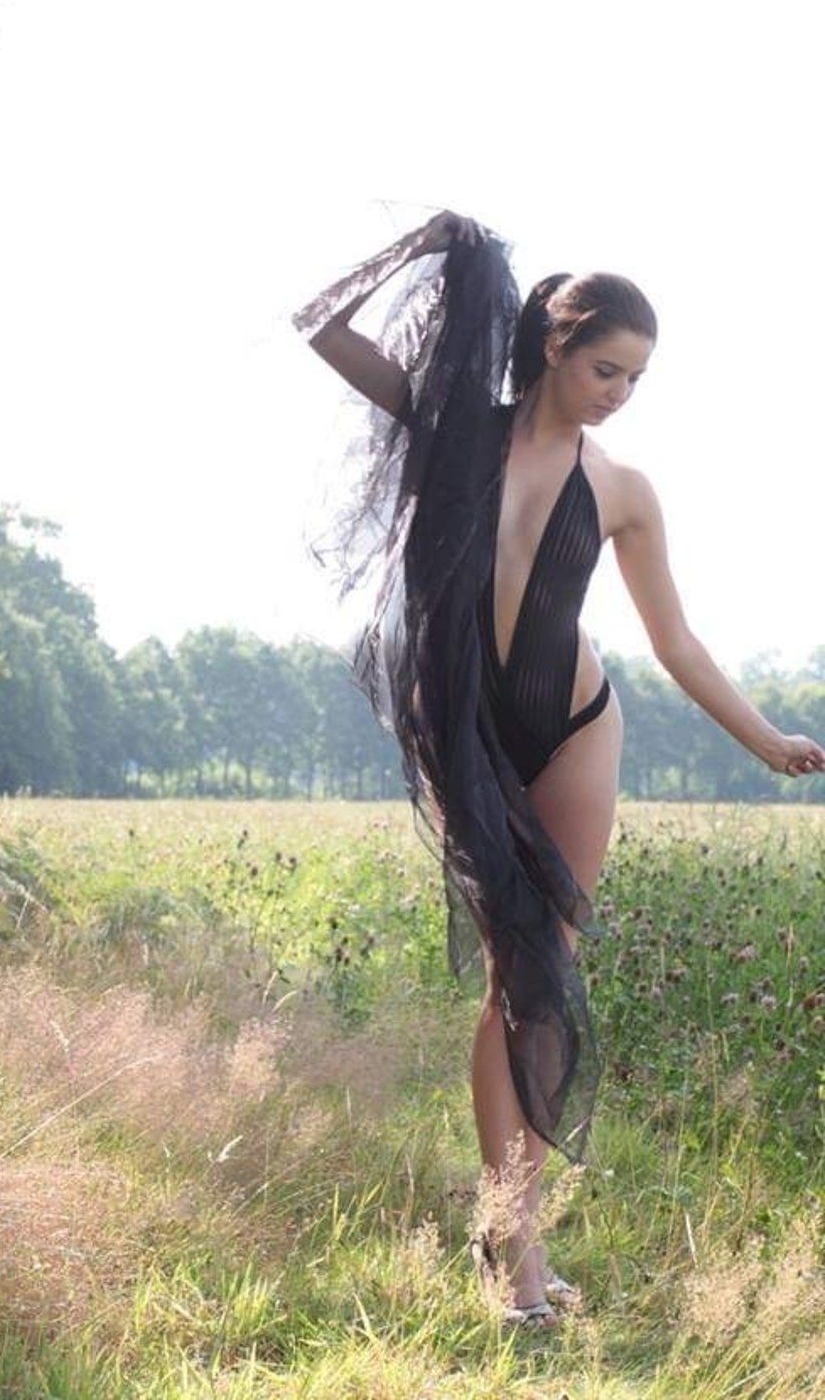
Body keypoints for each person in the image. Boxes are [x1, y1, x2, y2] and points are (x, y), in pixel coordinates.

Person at [292, 208, 825, 1328]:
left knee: (542, 984)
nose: (619, 394)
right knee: (509, 979)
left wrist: (766, 740)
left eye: (635, 379)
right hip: (469, 732)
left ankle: (517, 1242)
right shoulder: (452, 429)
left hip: (576, 726)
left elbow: (677, 642)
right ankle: (511, 1247)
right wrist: (426, 247)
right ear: (553, 344)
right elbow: (321, 327)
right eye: (604, 369)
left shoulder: (624, 490)